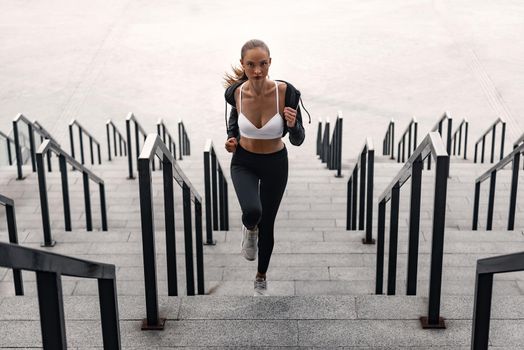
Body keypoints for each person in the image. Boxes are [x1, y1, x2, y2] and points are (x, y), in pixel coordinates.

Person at [223, 39, 309, 296]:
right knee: (252, 211)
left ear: (270, 63)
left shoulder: (287, 93)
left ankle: (261, 275)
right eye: (251, 64)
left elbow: (298, 140)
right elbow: (233, 120)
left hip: (275, 163)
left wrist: (293, 126)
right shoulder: (234, 94)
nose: (257, 70)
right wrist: (231, 140)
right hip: (244, 162)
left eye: (262, 64)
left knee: (268, 223)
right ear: (243, 65)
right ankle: (249, 229)